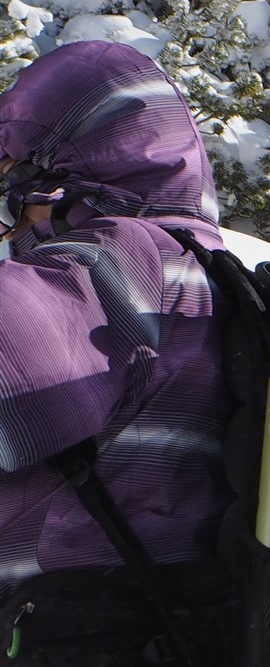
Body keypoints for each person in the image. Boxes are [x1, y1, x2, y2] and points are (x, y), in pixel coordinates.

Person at [0, 41, 234, 655]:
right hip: (153, 629)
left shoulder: (128, 255)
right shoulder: (210, 279)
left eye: (16, 195)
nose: (13, 228)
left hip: (67, 629)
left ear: (61, 182)